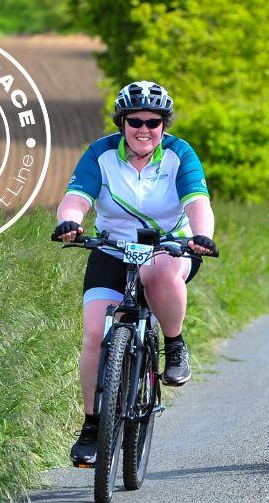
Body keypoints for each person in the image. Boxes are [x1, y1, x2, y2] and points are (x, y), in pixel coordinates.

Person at [53, 81, 218, 466]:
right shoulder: (101, 153)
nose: (144, 129)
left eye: (153, 122)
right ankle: (93, 425)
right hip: (112, 248)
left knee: (159, 271)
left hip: (170, 247)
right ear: (122, 122)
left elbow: (197, 201)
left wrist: (202, 235)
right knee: (95, 332)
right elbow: (76, 199)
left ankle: (174, 345)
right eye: (135, 121)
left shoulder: (179, 154)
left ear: (164, 125)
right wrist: (69, 222)